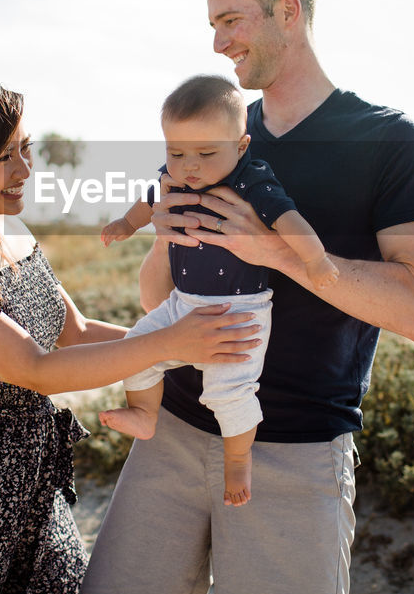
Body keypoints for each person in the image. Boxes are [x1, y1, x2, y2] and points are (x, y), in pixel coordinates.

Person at [75, 0, 414, 594]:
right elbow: (159, 296)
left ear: (289, 11)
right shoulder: (214, 136)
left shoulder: (387, 143)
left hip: (296, 457)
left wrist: (275, 250)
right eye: (211, 25)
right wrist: (161, 237)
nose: (218, 44)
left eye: (231, 20)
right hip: (174, 436)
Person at [0, 77, 262, 594]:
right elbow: (37, 368)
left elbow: (72, 332)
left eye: (25, 149)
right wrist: (168, 341)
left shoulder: (15, 233)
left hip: (34, 476)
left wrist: (179, 352)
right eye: (3, 155)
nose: (25, 170)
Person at [98, 74, 338, 508]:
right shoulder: (176, 181)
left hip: (239, 309)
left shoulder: (250, 181)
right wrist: (126, 224)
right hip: (182, 303)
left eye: (206, 153)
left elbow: (290, 221)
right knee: (136, 347)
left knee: (230, 391)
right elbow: (149, 200)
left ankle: (237, 461)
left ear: (241, 147)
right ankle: (145, 414)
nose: (190, 165)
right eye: (176, 152)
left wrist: (316, 261)